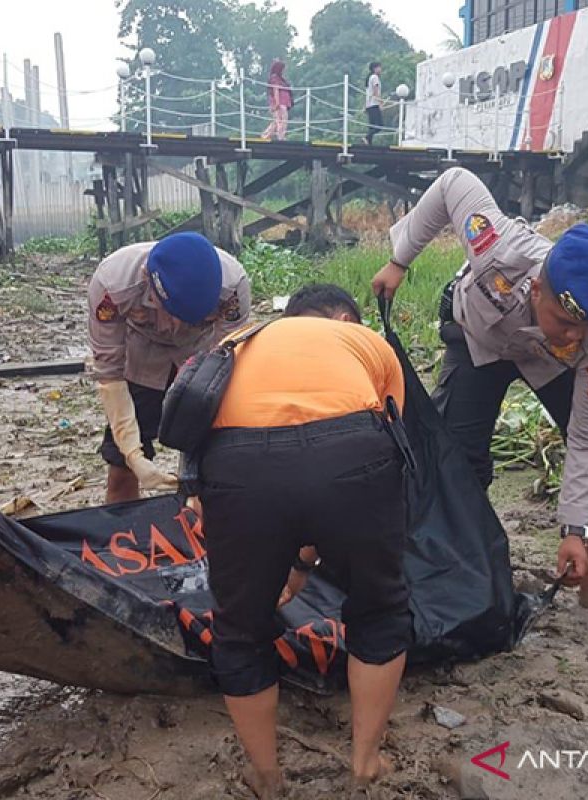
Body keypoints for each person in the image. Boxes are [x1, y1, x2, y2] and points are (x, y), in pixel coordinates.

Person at [371, 168, 588, 622]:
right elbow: (454, 182)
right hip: (481, 339)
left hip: (550, 364)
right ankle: (466, 581)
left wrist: (574, 529)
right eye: (565, 321)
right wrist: (400, 259)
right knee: (456, 463)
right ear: (537, 289)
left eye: (585, 327)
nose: (575, 334)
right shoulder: (498, 248)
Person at [200, 283, 411, 798]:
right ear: (344, 319)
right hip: (353, 452)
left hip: (237, 462)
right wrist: (307, 554)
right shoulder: (365, 344)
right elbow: (386, 439)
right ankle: (364, 762)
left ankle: (266, 777)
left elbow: (206, 432)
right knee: (380, 608)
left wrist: (292, 563)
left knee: (239, 631)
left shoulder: (235, 342)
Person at [88, 232, 251, 503]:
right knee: (121, 469)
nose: (175, 326)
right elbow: (109, 372)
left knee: (212, 465)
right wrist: (132, 452)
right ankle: (119, 536)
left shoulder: (232, 288)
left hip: (202, 357)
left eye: (188, 317)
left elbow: (231, 357)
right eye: (170, 312)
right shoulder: (112, 285)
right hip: (142, 357)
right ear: (146, 281)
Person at [260, 59, 293, 141]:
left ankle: (265, 135)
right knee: (282, 120)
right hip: (279, 103)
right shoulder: (275, 78)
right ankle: (281, 137)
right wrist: (277, 103)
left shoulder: (281, 79)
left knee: (277, 121)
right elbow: (276, 90)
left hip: (283, 102)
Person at [365, 61, 384, 145]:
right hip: (374, 104)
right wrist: (380, 102)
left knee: (372, 125)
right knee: (379, 125)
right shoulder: (375, 77)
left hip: (369, 104)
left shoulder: (369, 78)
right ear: (375, 68)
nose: (381, 69)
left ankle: (369, 142)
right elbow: (376, 91)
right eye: (379, 67)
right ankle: (367, 137)